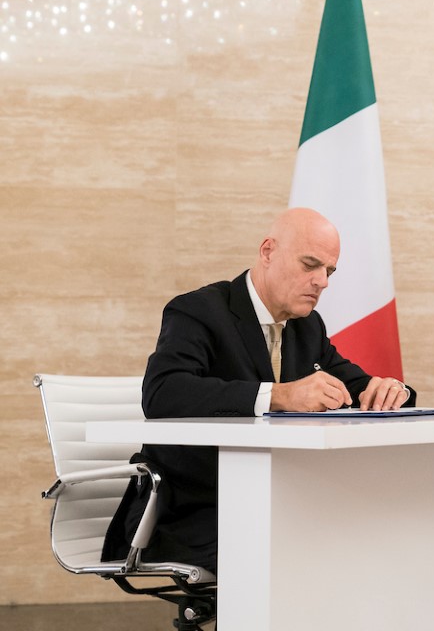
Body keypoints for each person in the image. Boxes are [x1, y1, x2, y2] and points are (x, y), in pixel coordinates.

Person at [102, 208, 412, 574]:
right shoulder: (199, 310)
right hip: (190, 511)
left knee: (366, 536)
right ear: (267, 252)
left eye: (329, 271)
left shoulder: (307, 327)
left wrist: (392, 390)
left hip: (273, 501)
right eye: (310, 264)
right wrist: (279, 395)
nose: (322, 282)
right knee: (302, 552)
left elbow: (357, 386)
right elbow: (163, 393)